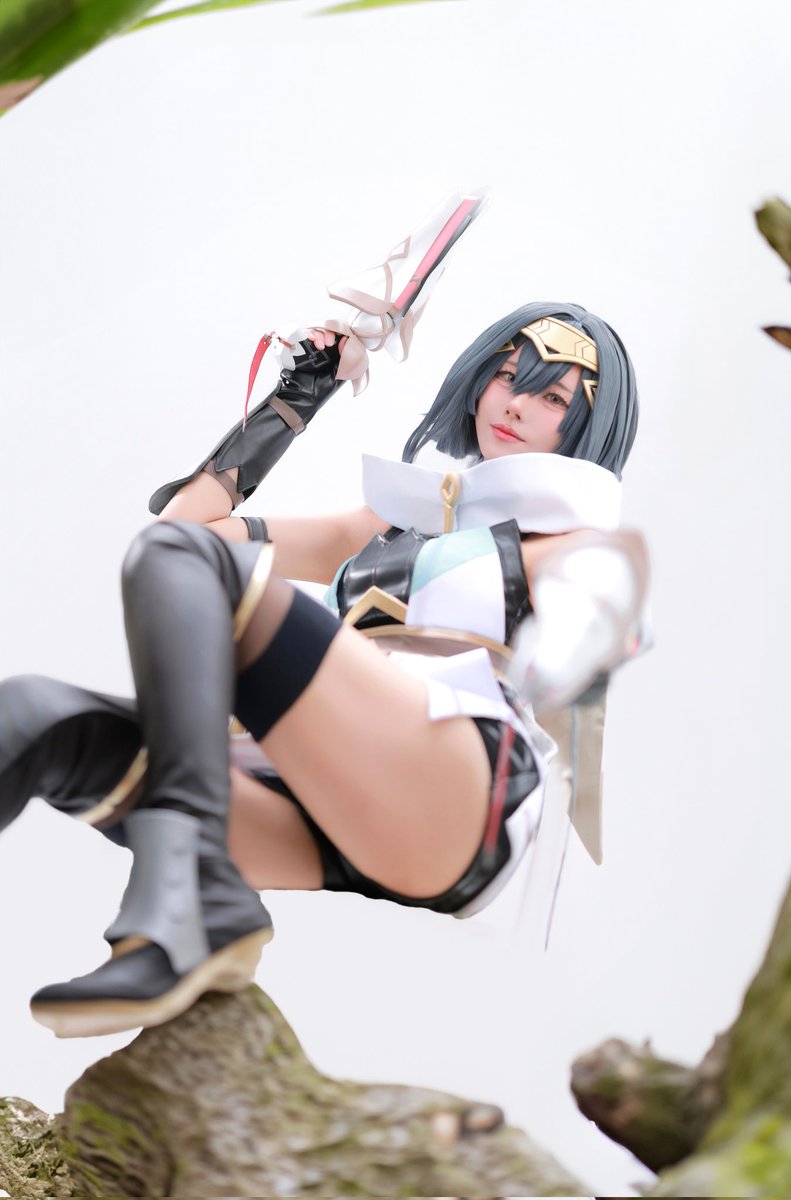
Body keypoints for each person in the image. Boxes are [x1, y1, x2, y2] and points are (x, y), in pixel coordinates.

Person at [0, 300, 646, 1039]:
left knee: (182, 571)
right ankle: (198, 894)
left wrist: (593, 617)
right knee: (36, 719)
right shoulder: (394, 526)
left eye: (553, 397)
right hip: (337, 808)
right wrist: (302, 393)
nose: (518, 404)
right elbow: (180, 535)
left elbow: (604, 596)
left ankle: (185, 897)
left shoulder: (562, 544)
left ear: (586, 427)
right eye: (507, 377)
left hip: (459, 787)